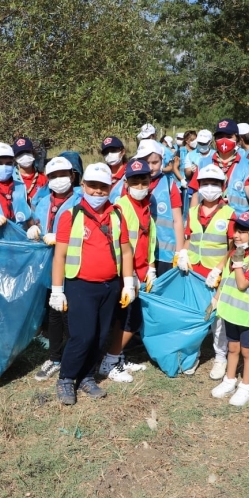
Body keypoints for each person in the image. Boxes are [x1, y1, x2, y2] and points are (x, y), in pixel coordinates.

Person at [49, 163, 135, 405]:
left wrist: (128, 283)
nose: (97, 192)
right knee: (82, 336)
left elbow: (126, 251)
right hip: (80, 285)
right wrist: (57, 290)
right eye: (93, 186)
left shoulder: (117, 215)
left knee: (100, 336)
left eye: (103, 187)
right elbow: (60, 255)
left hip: (110, 286)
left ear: (110, 188)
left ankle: (87, 376)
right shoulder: (71, 215)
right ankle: (66, 378)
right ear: (83, 186)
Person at [98, 159, 156, 383]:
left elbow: (149, 238)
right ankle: (109, 361)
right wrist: (128, 276)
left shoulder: (146, 206)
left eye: (144, 181)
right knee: (130, 320)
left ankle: (118, 356)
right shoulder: (121, 207)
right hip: (126, 275)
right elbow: (118, 245)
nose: (140, 186)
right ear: (126, 182)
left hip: (141, 271)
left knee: (126, 318)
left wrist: (150, 266)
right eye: (135, 182)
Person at [209, 211, 249, 407]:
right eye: (236, 230)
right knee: (232, 347)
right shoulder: (234, 255)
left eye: (242, 231)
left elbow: (242, 284)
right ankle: (229, 380)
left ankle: (245, 386)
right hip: (229, 312)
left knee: (247, 351)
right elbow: (226, 281)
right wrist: (216, 298)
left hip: (246, 317)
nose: (236, 235)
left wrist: (237, 265)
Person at [31, 157, 83, 381]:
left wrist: (63, 238)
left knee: (71, 315)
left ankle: (75, 360)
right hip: (50, 267)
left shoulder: (82, 200)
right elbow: (39, 223)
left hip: (74, 265)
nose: (58, 180)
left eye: (63, 174)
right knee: (53, 313)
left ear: (72, 176)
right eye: (53, 176)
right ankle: (54, 358)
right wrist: (34, 230)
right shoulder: (43, 202)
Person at [182, 164, 235, 379]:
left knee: (217, 318)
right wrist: (182, 254)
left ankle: (220, 357)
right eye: (205, 183)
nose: (209, 187)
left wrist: (220, 268)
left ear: (222, 186)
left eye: (214, 183)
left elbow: (234, 247)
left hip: (217, 274)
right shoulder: (193, 211)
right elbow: (189, 238)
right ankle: (191, 355)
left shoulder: (229, 213)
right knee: (194, 315)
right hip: (194, 272)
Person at [135, 140, 185, 275]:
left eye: (155, 162)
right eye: (146, 162)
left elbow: (177, 220)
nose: (150, 167)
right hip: (140, 252)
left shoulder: (169, 185)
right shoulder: (131, 185)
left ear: (162, 161)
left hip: (165, 255)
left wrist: (179, 252)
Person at [187, 119, 249, 214]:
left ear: (238, 139)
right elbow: (195, 195)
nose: (224, 140)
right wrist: (191, 221)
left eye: (228, 136)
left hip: (237, 222)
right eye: (220, 137)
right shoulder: (204, 163)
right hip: (209, 222)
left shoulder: (247, 165)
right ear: (215, 140)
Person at [12, 136, 47, 204]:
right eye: (20, 154)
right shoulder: (11, 179)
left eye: (27, 152)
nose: (24, 155)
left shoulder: (43, 179)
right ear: (15, 158)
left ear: (33, 154)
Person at [101, 136, 128, 201]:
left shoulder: (130, 172)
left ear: (122, 152)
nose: (109, 154)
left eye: (113, 151)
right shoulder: (101, 173)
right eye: (106, 152)